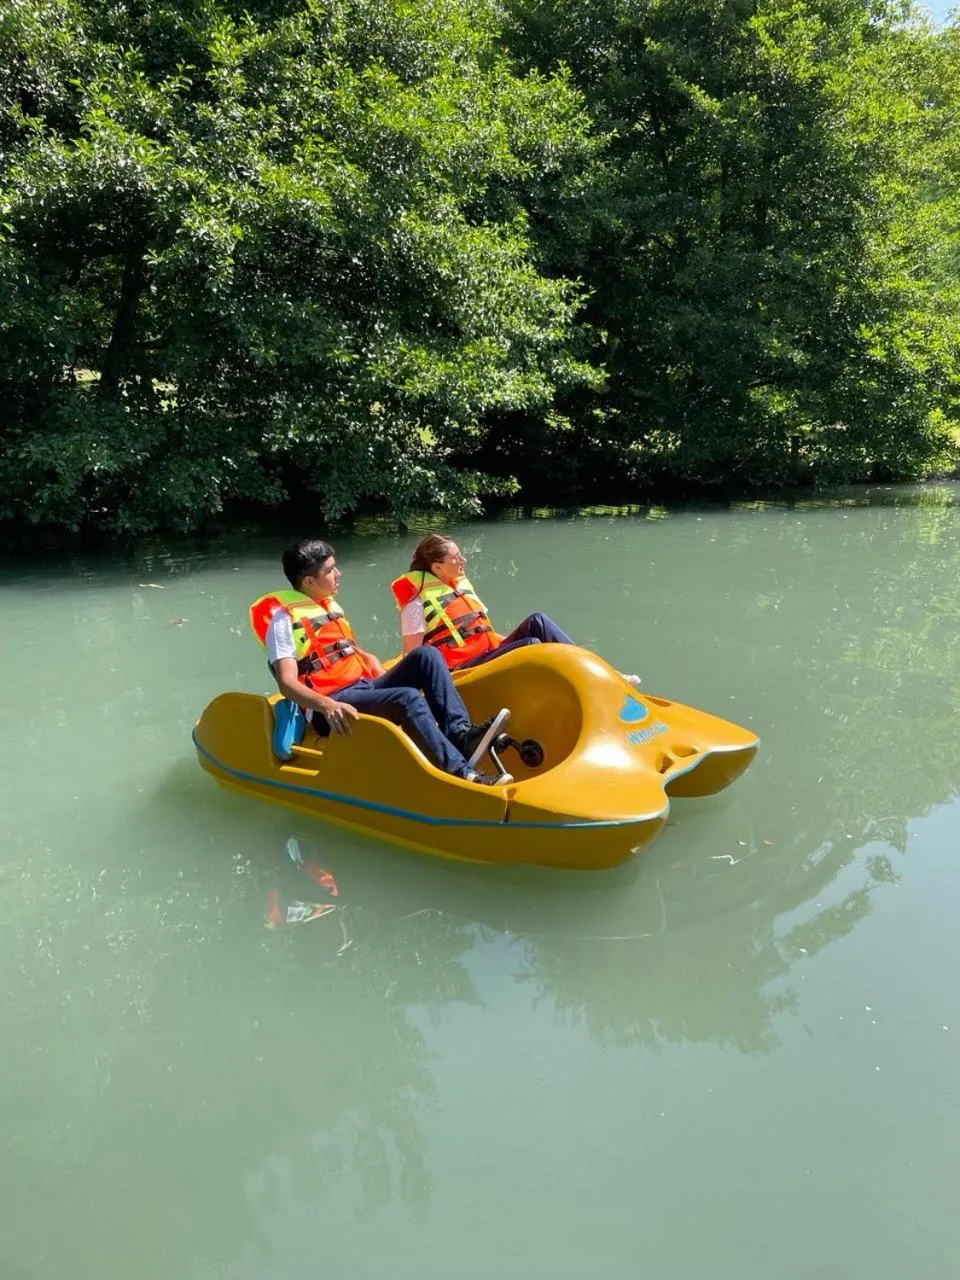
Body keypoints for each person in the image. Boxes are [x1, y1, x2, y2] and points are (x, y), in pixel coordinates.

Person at [263, 538, 513, 785]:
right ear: (309, 580)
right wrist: (326, 705)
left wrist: (380, 672)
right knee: (407, 698)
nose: (339, 574)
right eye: (330, 570)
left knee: (427, 655)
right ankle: (463, 773)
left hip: (363, 688)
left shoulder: (326, 606)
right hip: (331, 707)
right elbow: (286, 682)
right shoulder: (283, 622)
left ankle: (461, 735)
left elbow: (349, 653)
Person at [391, 533, 641, 679]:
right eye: (456, 558)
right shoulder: (416, 601)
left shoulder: (456, 585)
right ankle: (578, 682)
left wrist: (505, 644)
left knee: (538, 622)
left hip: (487, 653)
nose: (463, 560)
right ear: (436, 567)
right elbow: (415, 654)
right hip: (462, 668)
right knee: (530, 647)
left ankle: (602, 673)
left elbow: (482, 631)